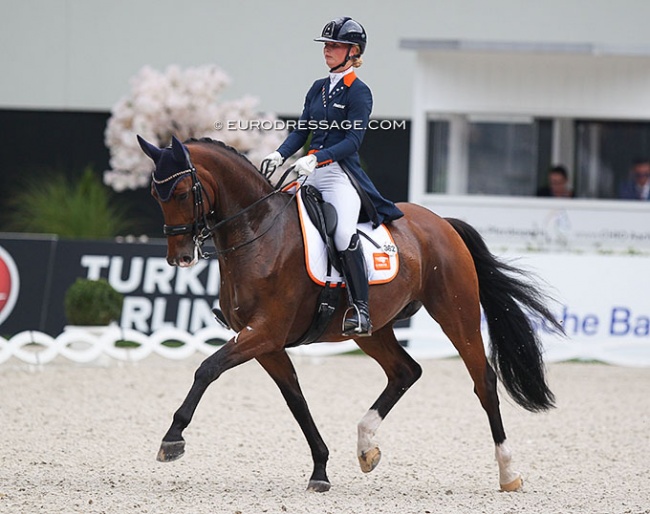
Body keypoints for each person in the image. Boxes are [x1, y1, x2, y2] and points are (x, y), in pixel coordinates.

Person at [263, 17, 404, 337]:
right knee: (278, 221)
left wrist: (316, 157)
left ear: (353, 51)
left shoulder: (359, 92)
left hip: (340, 175)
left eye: (335, 45)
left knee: (341, 233)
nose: (327, 50)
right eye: (326, 45)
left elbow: (352, 142)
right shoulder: (317, 88)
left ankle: (361, 309)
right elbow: (302, 130)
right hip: (309, 171)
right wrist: (280, 154)